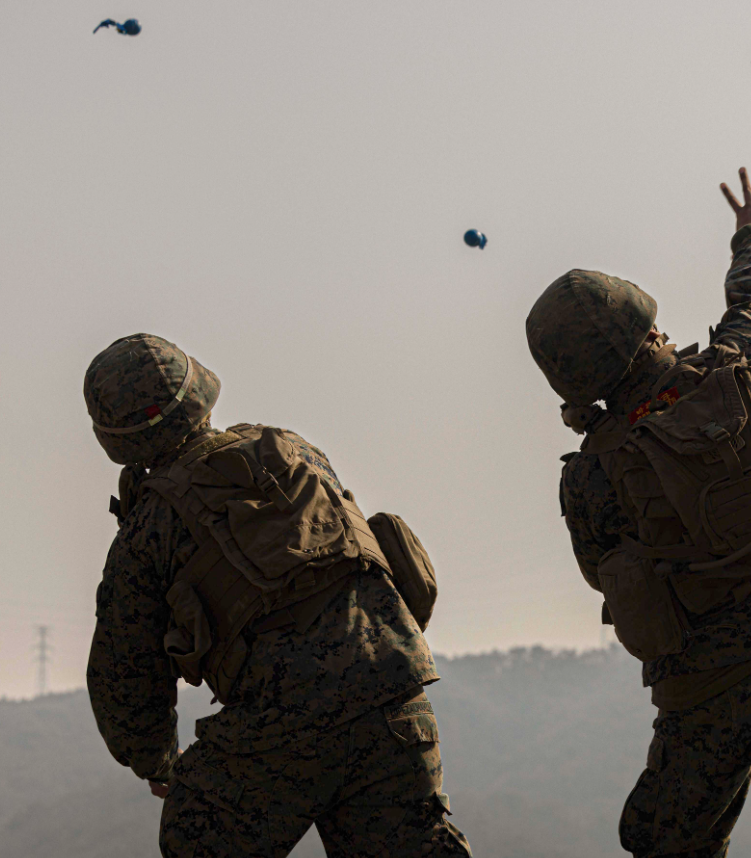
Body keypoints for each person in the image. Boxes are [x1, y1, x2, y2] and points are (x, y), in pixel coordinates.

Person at [525, 168, 751, 857]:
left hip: (699, 704)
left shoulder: (591, 478)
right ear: (649, 324)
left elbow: (602, 578)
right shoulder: (748, 366)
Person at [84, 333, 471, 857]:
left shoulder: (145, 533)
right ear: (198, 392)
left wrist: (159, 763)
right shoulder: (292, 451)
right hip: (396, 694)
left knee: (193, 834)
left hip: (276, 728)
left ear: (114, 438)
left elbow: (124, 685)